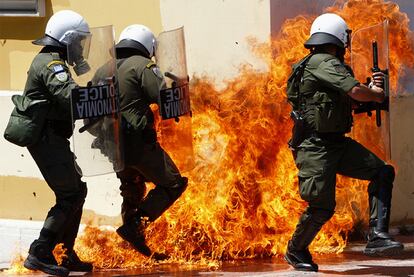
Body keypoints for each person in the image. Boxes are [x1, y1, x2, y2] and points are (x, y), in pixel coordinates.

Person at [285, 13, 404, 272]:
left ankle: (377, 237)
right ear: (339, 38)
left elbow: (349, 100)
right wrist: (375, 92)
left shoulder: (322, 65)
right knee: (321, 207)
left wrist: (370, 89)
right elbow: (354, 91)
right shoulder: (322, 62)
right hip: (315, 148)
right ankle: (296, 249)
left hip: (336, 144)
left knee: (382, 171)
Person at [18, 10, 93, 276]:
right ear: (68, 39)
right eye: (79, 41)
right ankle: (41, 251)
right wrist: (96, 95)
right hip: (46, 138)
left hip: (52, 137)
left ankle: (63, 252)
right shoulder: (52, 64)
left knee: (76, 192)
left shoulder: (53, 60)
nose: (81, 47)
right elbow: (69, 95)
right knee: (70, 194)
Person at [114, 24, 188, 259]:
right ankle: (135, 226)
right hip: (137, 142)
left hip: (113, 145)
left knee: (132, 188)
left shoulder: (106, 68)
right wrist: (178, 87)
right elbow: (161, 96)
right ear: (148, 46)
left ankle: (133, 247)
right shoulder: (143, 66)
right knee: (174, 183)